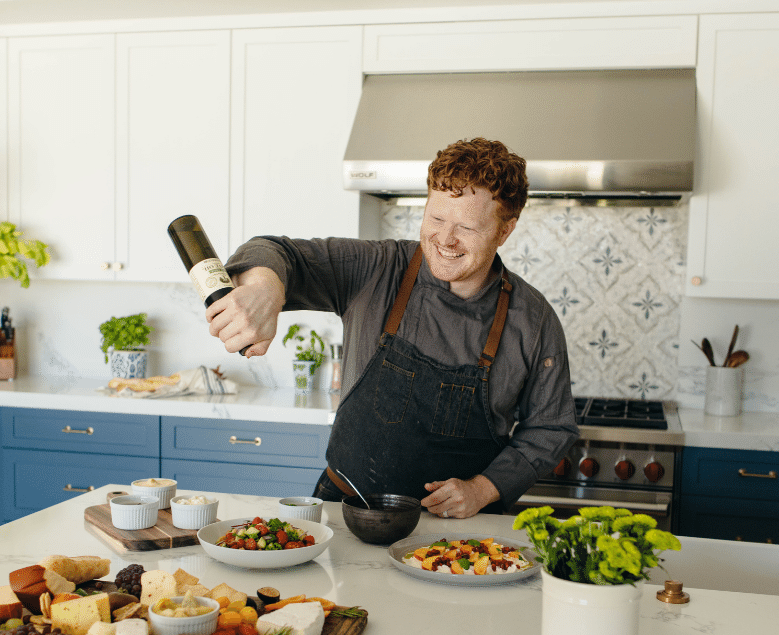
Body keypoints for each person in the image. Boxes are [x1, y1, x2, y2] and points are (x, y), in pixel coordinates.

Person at [206, 137, 578, 518]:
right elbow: (276, 251)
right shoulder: (377, 268)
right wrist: (266, 289)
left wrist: (483, 489)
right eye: (436, 219)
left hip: (457, 533)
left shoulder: (533, 320)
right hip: (347, 512)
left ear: (504, 230)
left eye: (466, 227)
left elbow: (551, 428)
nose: (445, 239)